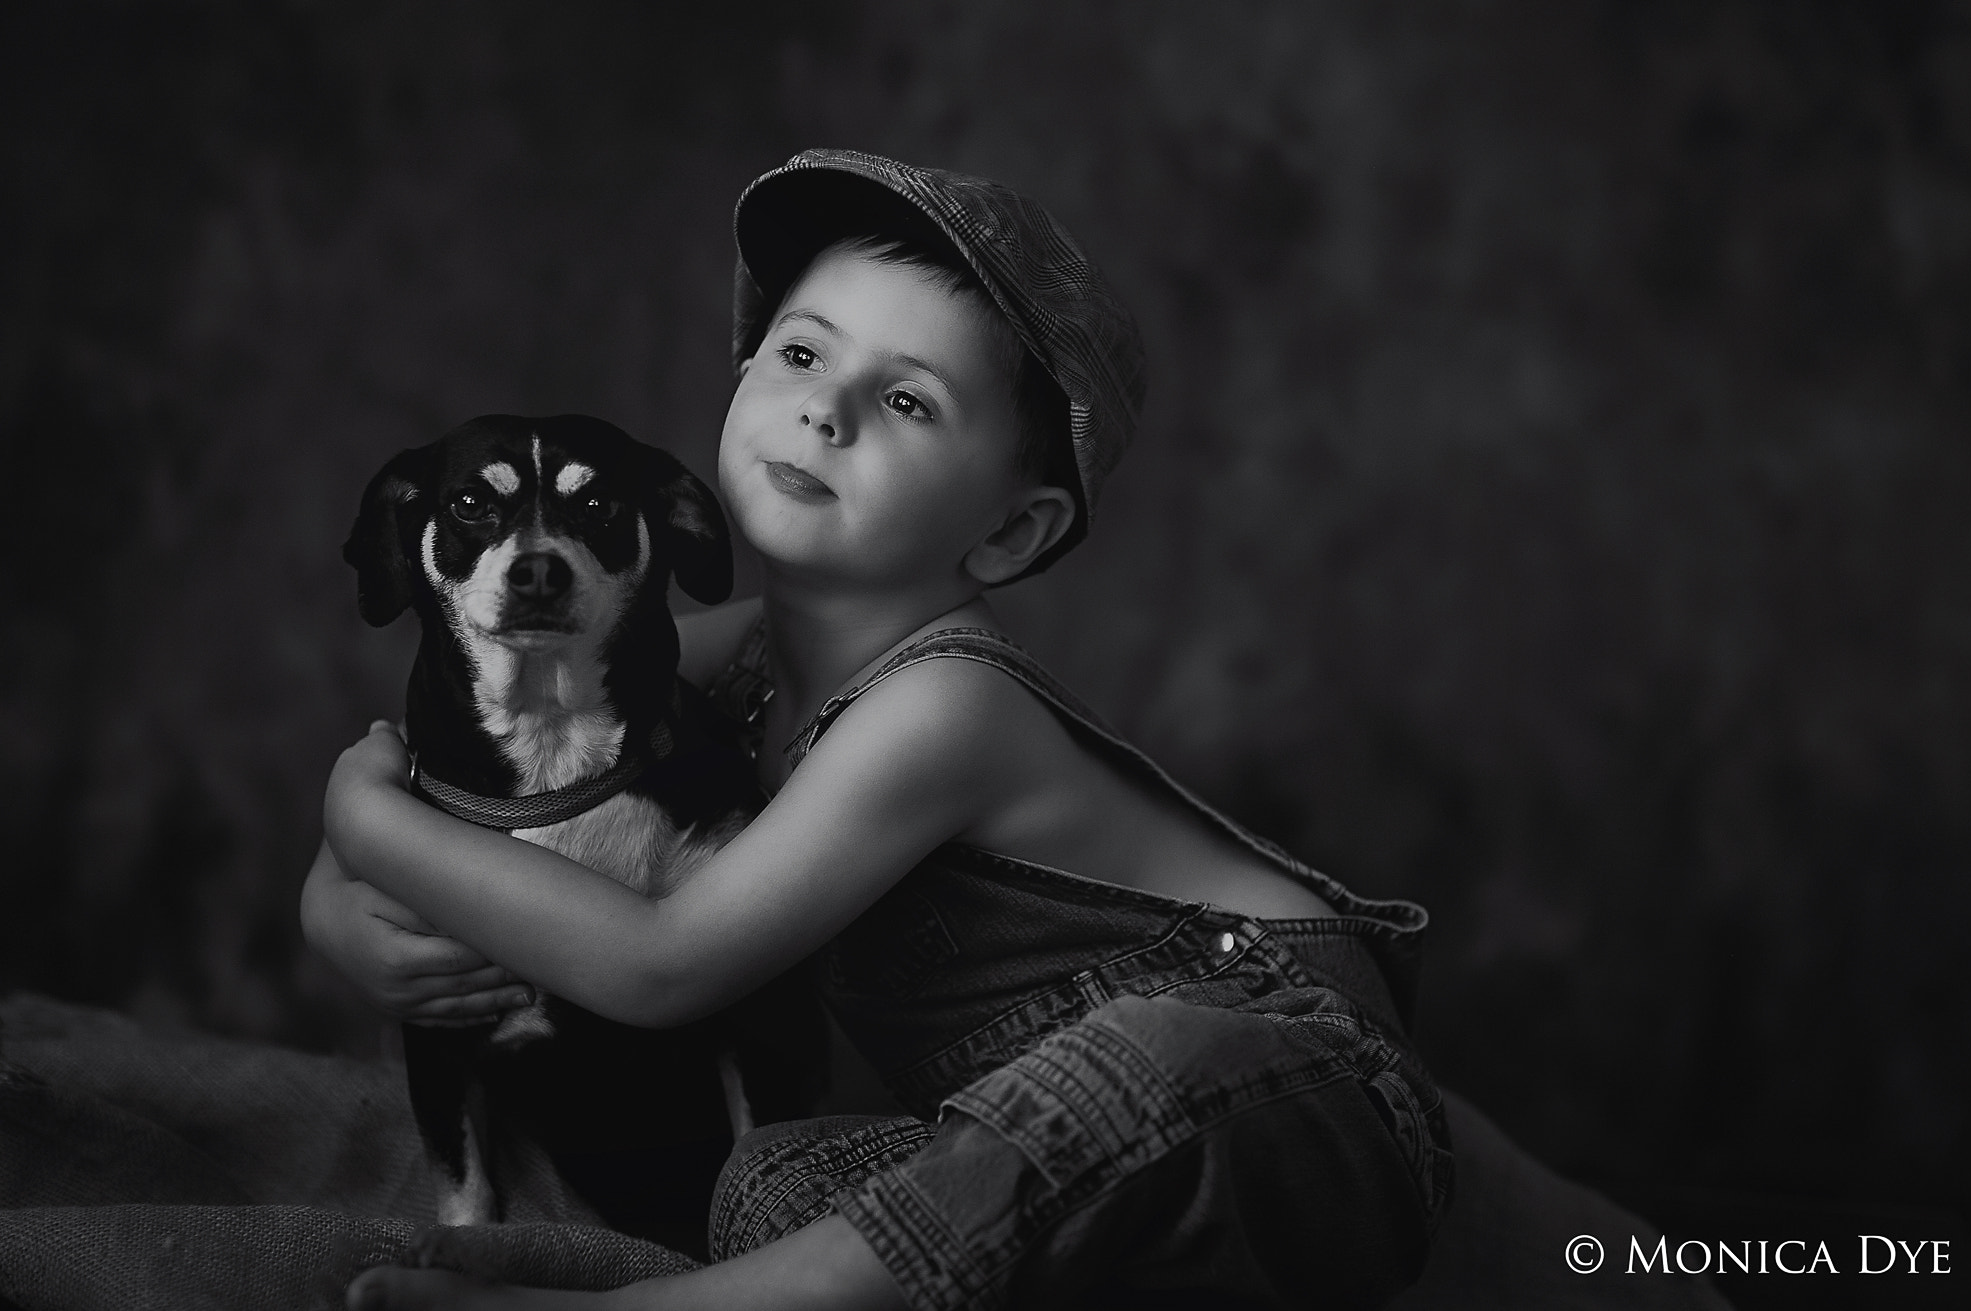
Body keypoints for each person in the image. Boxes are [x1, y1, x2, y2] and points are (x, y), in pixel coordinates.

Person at [309, 149, 1451, 1311]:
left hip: (1285, 1083)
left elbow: (661, 966)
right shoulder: (721, 654)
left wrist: (362, 821)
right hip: (1046, 1155)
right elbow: (464, 763)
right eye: (801, 354)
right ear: (744, 377)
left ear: (1007, 534)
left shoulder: (946, 706)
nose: (825, 407)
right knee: (768, 1186)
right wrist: (336, 904)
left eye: (905, 401)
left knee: (1129, 1066)